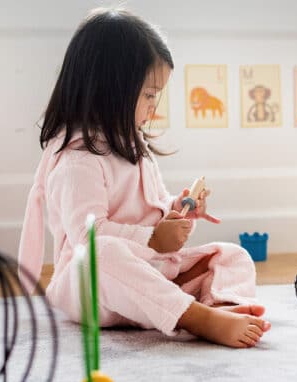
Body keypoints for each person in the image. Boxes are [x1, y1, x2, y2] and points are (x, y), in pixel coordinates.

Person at [18, 8, 270, 348]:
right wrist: (152, 239)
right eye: (149, 95)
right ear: (110, 89)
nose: (154, 106)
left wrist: (178, 211)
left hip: (149, 278)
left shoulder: (133, 147)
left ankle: (221, 304)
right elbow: (86, 237)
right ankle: (198, 317)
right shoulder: (77, 161)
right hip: (96, 290)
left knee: (231, 255)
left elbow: (153, 211)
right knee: (100, 252)